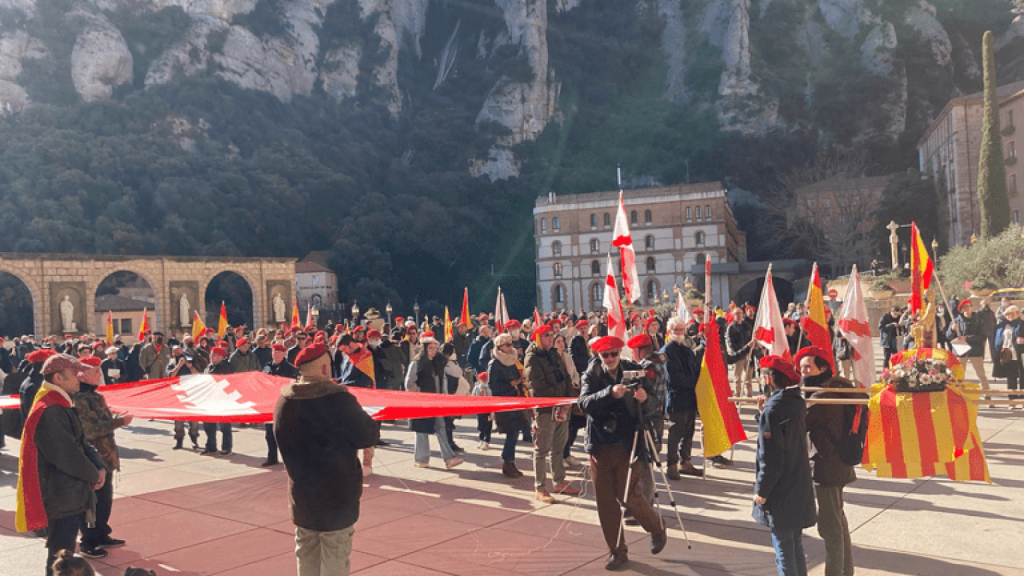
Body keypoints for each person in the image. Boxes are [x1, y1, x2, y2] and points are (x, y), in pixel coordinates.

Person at [274, 341, 379, 576]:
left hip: (302, 498)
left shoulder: (284, 402)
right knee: (335, 559)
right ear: (324, 369)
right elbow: (367, 434)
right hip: (337, 498)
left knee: (306, 556)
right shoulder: (338, 400)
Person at [579, 336, 666, 571]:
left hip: (629, 443)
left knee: (628, 494)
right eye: (605, 355)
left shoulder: (634, 370)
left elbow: (654, 403)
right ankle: (617, 551)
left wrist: (645, 398)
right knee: (606, 501)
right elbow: (584, 403)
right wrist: (610, 393)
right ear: (598, 356)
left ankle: (656, 527)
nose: (609, 359)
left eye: (613, 354)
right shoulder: (591, 374)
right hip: (600, 445)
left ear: (620, 353)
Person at [17, 354, 107, 575]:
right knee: (60, 557)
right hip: (62, 496)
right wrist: (92, 474)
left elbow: (81, 442)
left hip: (68, 494)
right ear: (58, 378)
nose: (79, 378)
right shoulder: (50, 409)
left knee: (62, 553)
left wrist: (99, 465)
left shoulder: (59, 403)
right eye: (74, 374)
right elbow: (67, 455)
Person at [752, 355, 817, 576]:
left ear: (770, 379)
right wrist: (762, 414)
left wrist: (762, 491)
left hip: (781, 490)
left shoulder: (774, 409)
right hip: (797, 482)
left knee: (784, 552)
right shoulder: (795, 402)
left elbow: (770, 458)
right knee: (794, 547)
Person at [797, 347, 857, 576]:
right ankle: (845, 570)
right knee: (838, 520)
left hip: (827, 465)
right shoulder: (837, 386)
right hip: (838, 462)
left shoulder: (822, 395)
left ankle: (835, 572)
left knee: (830, 526)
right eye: (801, 367)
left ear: (822, 368)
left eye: (807, 367)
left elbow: (799, 421)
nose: (803, 371)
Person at [73, 357, 131, 558]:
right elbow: (89, 431)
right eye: (96, 372)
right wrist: (119, 422)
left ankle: (101, 533)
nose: (100, 375)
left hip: (105, 457)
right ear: (82, 374)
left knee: (105, 500)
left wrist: (116, 420)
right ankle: (88, 541)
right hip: (92, 459)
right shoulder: (78, 399)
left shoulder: (95, 396)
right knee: (92, 502)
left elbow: (103, 422)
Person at [525, 325, 580, 503]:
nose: (551, 338)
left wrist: (568, 401)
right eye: (547, 335)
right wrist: (561, 397)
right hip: (545, 409)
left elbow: (566, 378)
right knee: (542, 449)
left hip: (561, 407)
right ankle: (540, 487)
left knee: (559, 447)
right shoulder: (532, 357)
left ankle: (559, 481)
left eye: (552, 335)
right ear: (538, 338)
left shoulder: (555, 355)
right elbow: (539, 388)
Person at [404, 333, 463, 469]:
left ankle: (449, 458)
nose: (433, 351)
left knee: (441, 427)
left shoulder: (438, 362)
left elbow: (443, 380)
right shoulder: (416, 363)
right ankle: (421, 459)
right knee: (421, 430)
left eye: (435, 348)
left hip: (437, 401)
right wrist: (421, 395)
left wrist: (445, 396)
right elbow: (409, 383)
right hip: (421, 403)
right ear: (424, 348)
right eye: (430, 348)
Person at [662, 316, 703, 479]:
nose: (679, 333)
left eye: (681, 329)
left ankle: (685, 461)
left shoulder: (686, 350)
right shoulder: (666, 351)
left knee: (689, 432)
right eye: (676, 330)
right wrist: (693, 383)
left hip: (690, 397)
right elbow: (673, 376)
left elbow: (695, 369)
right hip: (677, 397)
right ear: (669, 332)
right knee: (675, 433)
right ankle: (671, 464)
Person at [488, 333, 527, 478]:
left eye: (512, 344)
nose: (511, 347)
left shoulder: (513, 359)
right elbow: (493, 385)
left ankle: (510, 462)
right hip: (504, 401)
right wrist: (510, 384)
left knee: (515, 431)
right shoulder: (495, 363)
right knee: (512, 432)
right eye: (507, 345)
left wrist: (520, 380)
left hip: (515, 399)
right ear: (499, 347)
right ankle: (507, 461)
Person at [262, 343, 299, 466]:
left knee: (285, 434)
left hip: (284, 403)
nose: (275, 354)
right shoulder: (267, 367)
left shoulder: (290, 369)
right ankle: (272, 457)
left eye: (278, 352)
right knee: (269, 434)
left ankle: (290, 459)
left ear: (284, 354)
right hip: (270, 403)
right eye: (274, 352)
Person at [946, 299, 991, 395]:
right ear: (961, 309)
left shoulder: (979, 320)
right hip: (960, 352)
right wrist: (952, 329)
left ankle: (987, 395)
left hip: (975, 351)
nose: (966, 309)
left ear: (972, 307)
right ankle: (958, 395)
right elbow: (948, 336)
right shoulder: (956, 321)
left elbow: (983, 337)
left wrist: (967, 338)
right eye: (964, 307)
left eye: (968, 306)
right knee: (959, 377)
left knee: (981, 375)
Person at [201, 347, 234, 456]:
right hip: (209, 399)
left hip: (222, 399)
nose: (211, 357)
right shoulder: (208, 367)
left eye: (214, 355)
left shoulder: (227, 367)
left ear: (221, 357)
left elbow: (230, 384)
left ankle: (227, 447)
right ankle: (211, 446)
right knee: (208, 425)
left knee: (224, 426)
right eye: (211, 355)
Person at [166, 346, 200, 450]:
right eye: (177, 351)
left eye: (181, 350)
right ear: (173, 353)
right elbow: (171, 376)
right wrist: (179, 365)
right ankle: (179, 440)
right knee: (179, 420)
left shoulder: (190, 361)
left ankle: (194, 440)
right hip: (178, 394)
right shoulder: (171, 363)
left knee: (193, 419)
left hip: (191, 393)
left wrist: (189, 366)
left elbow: (197, 375)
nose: (180, 353)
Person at [994, 305, 1024, 408]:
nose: (1009, 316)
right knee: (1011, 379)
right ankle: (1012, 401)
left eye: (1012, 313)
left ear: (1017, 313)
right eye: (1007, 314)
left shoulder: (1021, 324)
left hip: (1020, 354)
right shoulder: (1002, 325)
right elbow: (997, 339)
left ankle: (1023, 401)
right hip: (1007, 355)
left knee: (1022, 378)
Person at [726, 311, 755, 397]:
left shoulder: (747, 326)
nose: (738, 316)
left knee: (748, 377)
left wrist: (750, 350)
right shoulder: (731, 328)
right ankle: (737, 394)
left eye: (740, 314)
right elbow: (731, 343)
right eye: (736, 314)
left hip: (748, 354)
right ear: (733, 315)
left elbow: (751, 338)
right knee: (737, 377)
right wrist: (741, 352)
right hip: (738, 355)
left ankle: (748, 394)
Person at [471, 370, 492, 449]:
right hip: (484, 409)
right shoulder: (478, 388)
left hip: (484, 409)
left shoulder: (487, 388)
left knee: (485, 425)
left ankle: (485, 440)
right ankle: (483, 440)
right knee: (483, 425)